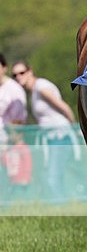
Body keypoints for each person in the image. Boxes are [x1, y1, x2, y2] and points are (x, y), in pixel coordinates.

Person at [11, 62, 76, 202]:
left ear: (30, 71)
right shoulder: (33, 92)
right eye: (14, 75)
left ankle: (62, 210)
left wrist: (75, 128)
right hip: (51, 139)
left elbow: (63, 107)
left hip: (61, 136)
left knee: (52, 177)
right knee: (57, 175)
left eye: (21, 73)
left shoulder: (41, 87)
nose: (18, 77)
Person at [0, 53, 27, 145]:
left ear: (4, 68)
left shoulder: (14, 89)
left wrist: (11, 143)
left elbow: (18, 121)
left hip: (8, 143)